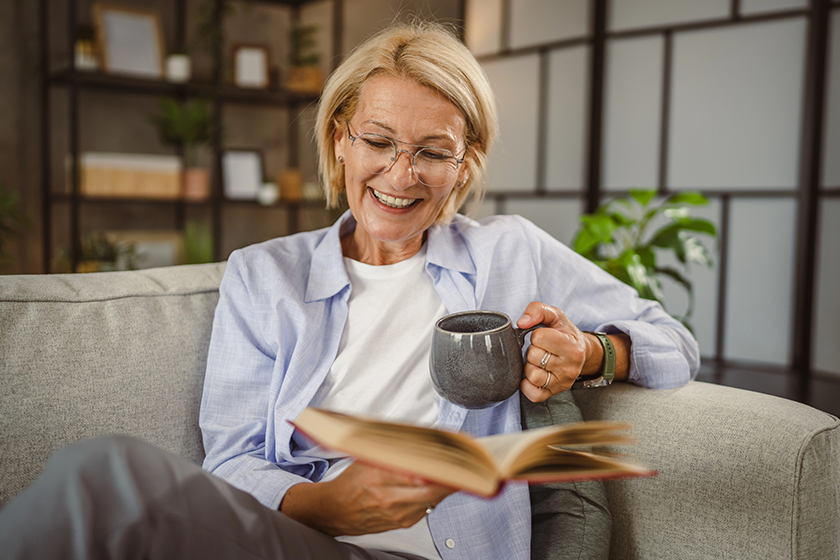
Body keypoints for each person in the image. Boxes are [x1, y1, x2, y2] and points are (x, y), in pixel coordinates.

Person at [0, 21, 698, 560]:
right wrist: (328, 506)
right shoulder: (264, 274)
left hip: (447, 548)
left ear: (466, 165)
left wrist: (593, 353)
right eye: (378, 141)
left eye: (431, 152)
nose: (400, 176)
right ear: (340, 141)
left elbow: (674, 343)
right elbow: (233, 457)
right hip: (300, 540)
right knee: (101, 475)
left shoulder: (507, 251)